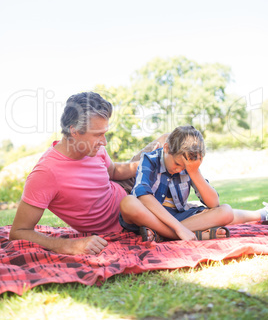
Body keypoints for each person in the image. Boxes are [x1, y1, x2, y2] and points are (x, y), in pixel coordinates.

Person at [9, 91, 167, 255]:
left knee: (170, 141)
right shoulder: (46, 173)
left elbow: (113, 171)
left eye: (104, 133)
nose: (104, 142)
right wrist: (68, 246)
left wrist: (143, 165)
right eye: (98, 135)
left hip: (125, 188)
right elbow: (19, 231)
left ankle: (192, 199)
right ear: (74, 131)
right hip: (125, 217)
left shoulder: (94, 149)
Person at [119, 125, 268, 242]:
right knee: (128, 203)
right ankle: (182, 233)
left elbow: (213, 203)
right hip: (150, 217)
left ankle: (162, 235)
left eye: (184, 168)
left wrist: (194, 172)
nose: (179, 170)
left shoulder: (189, 166)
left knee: (226, 211)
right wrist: (179, 228)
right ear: (166, 148)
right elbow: (143, 196)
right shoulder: (150, 159)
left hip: (178, 218)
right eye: (177, 164)